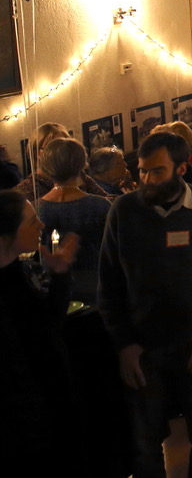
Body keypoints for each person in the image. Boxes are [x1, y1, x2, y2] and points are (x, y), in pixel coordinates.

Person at [98, 130, 192, 478]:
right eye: (142, 171)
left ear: (181, 169)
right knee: (146, 448)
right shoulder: (123, 210)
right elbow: (109, 285)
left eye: (156, 171)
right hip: (143, 351)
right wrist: (125, 345)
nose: (146, 180)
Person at [1, 188, 81, 467]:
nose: (42, 225)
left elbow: (49, 325)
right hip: (20, 412)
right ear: (7, 232)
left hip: (45, 396)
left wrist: (60, 276)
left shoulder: (19, 271)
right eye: (33, 220)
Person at [36, 137, 111, 302]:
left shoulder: (37, 208)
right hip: (96, 286)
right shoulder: (99, 205)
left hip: (53, 288)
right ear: (82, 165)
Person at [14, 122, 110, 200]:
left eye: (64, 146)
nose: (61, 152)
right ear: (36, 153)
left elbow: (105, 198)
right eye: (51, 147)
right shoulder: (26, 189)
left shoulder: (77, 174)